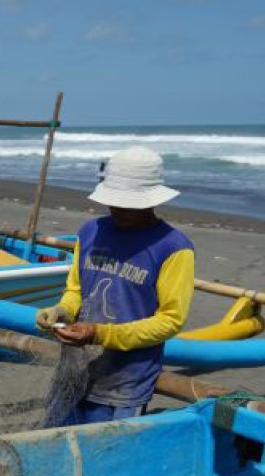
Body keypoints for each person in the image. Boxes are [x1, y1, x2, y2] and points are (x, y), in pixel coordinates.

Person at [35, 146, 195, 426]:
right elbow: (76, 290)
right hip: (75, 370)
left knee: (105, 459)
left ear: (151, 201)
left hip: (125, 383)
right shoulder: (90, 231)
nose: (117, 208)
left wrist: (100, 333)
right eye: (114, 201)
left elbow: (170, 321)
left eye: (127, 203)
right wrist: (61, 311)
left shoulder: (173, 248)